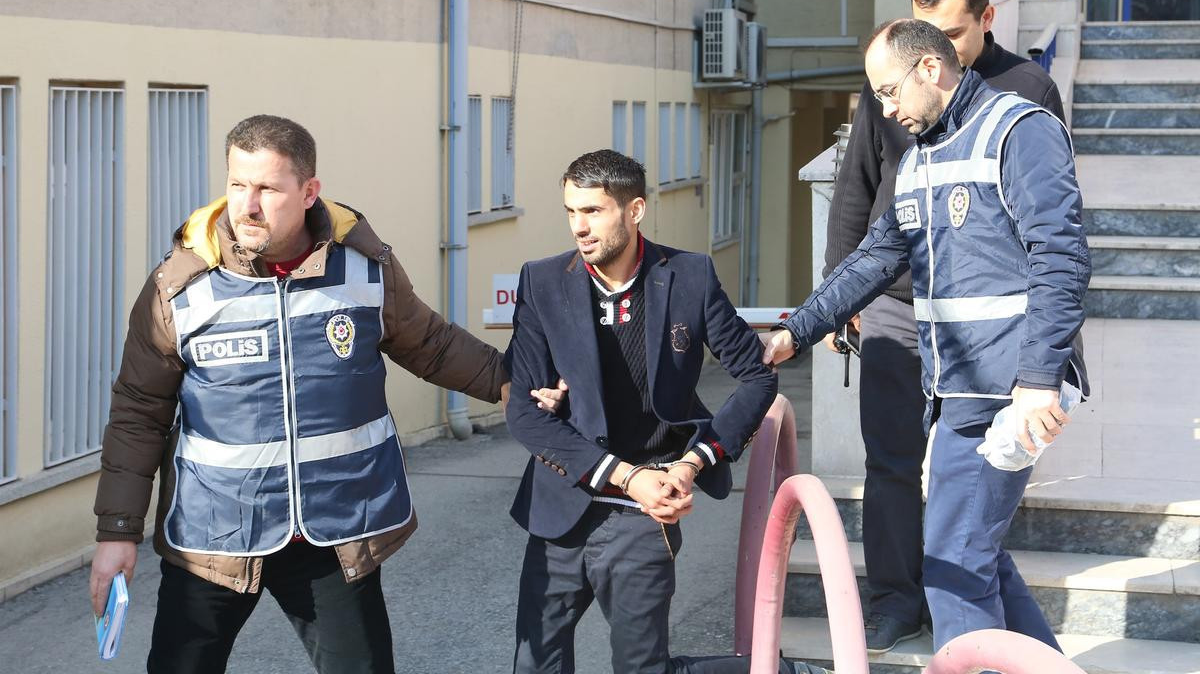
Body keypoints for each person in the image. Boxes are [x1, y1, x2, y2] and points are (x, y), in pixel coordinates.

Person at [88, 115, 559, 673]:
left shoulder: (364, 268)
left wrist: (511, 384)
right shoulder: (179, 286)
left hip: (333, 533)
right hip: (213, 536)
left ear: (310, 191)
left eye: (268, 189)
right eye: (237, 185)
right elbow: (138, 412)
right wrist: (117, 532)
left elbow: (430, 344)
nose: (248, 206)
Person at [762, 19, 1089, 654]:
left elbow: (1062, 257)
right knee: (976, 555)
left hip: (1009, 393)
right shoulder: (921, 158)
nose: (884, 109)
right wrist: (794, 332)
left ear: (930, 69)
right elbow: (874, 258)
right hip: (959, 394)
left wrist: (1038, 381)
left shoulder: (1019, 130)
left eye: (889, 92)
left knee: (955, 566)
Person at [504, 150, 825, 674]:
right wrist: (623, 475)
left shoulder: (689, 276)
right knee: (534, 667)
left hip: (645, 514)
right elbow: (523, 411)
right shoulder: (542, 281)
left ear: (635, 210)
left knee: (642, 669)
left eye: (593, 211)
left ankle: (780, 671)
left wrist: (694, 461)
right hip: (562, 507)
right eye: (571, 212)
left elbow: (757, 376)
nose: (579, 227)